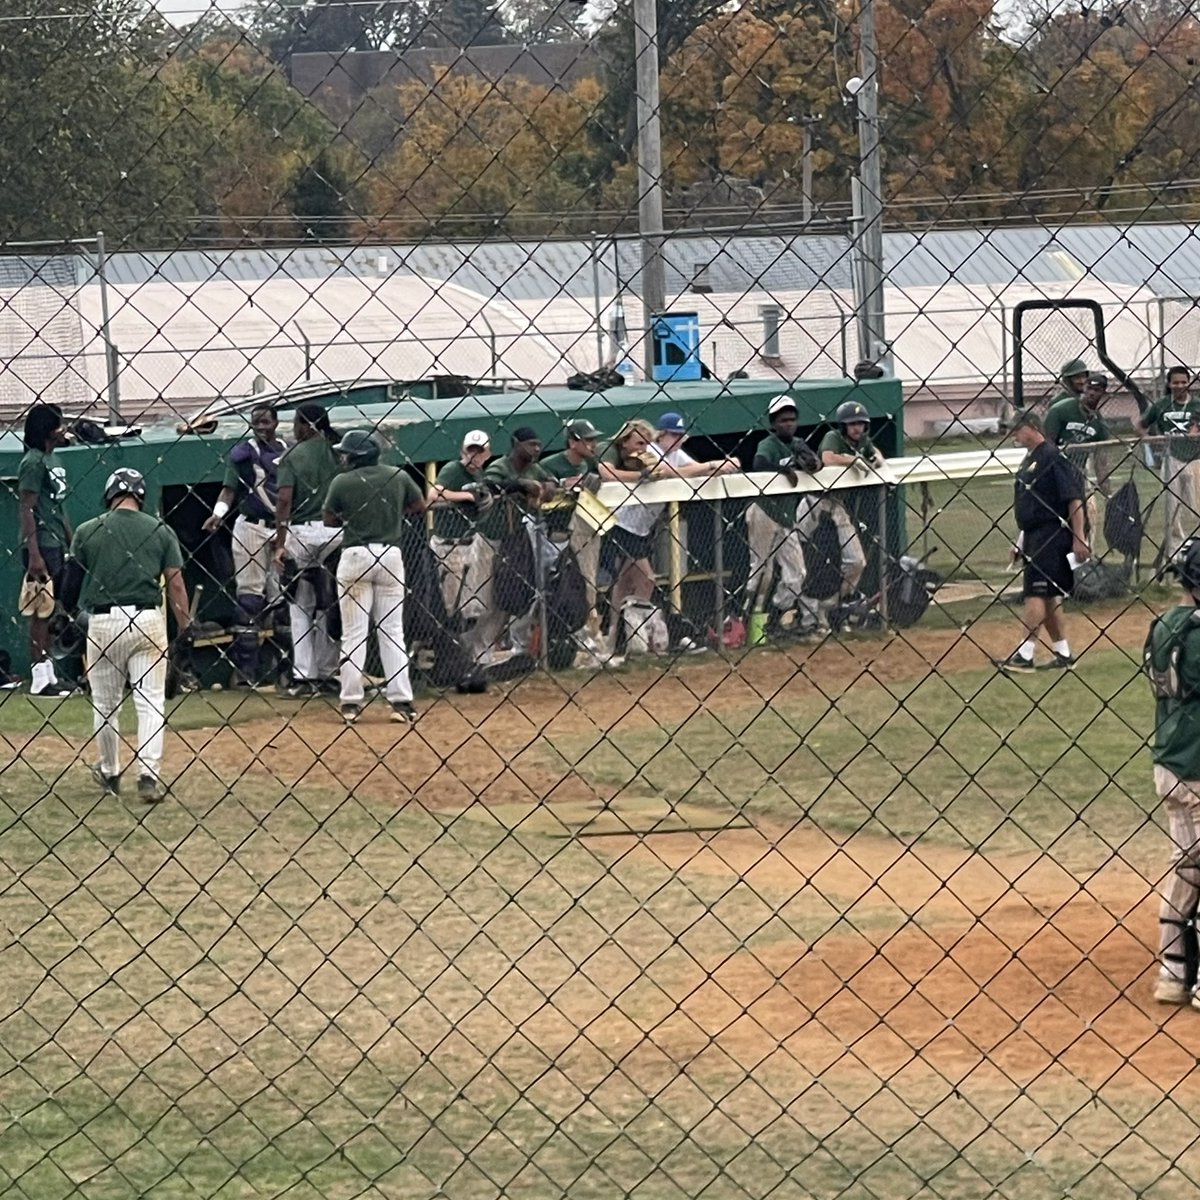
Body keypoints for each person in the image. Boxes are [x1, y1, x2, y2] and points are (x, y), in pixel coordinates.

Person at [62, 468, 191, 802]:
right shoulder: (160, 529)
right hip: (148, 619)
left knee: (106, 706)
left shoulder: (88, 530)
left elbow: (71, 584)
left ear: (109, 495)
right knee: (150, 702)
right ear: (141, 495)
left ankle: (109, 773)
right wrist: (186, 627)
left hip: (102, 622)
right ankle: (148, 776)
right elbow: (175, 583)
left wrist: (68, 615)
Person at [600, 413, 736, 653]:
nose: (678, 440)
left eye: (681, 435)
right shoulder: (649, 450)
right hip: (624, 523)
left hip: (641, 527)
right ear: (661, 435)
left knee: (623, 583)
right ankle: (634, 636)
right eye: (673, 434)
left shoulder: (676, 453)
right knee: (646, 579)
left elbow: (692, 468)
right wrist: (714, 464)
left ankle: (617, 635)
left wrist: (722, 465)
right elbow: (670, 471)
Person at [323, 430, 423, 725]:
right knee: (392, 631)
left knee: (354, 633)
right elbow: (419, 506)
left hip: (355, 555)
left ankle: (351, 703)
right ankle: (402, 702)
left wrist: (355, 516)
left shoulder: (342, 481)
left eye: (346, 453)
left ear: (357, 455)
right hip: (391, 555)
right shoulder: (398, 475)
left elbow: (329, 519)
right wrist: (391, 514)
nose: (343, 456)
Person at [1145, 538, 1200, 1007]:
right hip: (1198, 765)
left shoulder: (1162, 625)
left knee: (1186, 869)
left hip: (1168, 761)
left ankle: (1173, 972)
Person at [994, 409, 1089, 673]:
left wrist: (1079, 537)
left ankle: (1025, 655)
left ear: (1032, 427)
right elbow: (1031, 506)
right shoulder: (1029, 460)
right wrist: (1020, 540)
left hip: (1051, 535)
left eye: (1017, 428)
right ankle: (1064, 653)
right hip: (1034, 535)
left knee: (1035, 593)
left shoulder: (1052, 457)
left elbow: (1074, 498)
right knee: (1048, 597)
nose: (1013, 434)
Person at [202, 403, 288, 686]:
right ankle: (246, 673)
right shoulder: (244, 453)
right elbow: (229, 489)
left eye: (266, 422)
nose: (261, 427)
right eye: (256, 422)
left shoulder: (288, 449)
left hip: (282, 528)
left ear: (276, 423)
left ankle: (287, 671)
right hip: (251, 525)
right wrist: (217, 514)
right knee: (250, 599)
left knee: (283, 599)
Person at [470, 428, 557, 665]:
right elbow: (490, 485)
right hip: (490, 538)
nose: (536, 449)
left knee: (506, 596)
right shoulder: (501, 465)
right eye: (530, 445)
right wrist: (521, 484)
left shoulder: (534, 467)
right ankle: (474, 652)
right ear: (516, 444)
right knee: (484, 598)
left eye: (538, 445)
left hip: (516, 541)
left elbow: (550, 480)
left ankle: (486, 652)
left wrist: (548, 486)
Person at [274, 402, 342, 697]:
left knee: (300, 603)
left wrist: (279, 542)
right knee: (329, 602)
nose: (293, 429)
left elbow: (284, 501)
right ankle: (329, 673)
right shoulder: (336, 451)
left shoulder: (292, 455)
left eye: (296, 423)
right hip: (335, 531)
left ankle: (305, 677)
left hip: (302, 531)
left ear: (307, 425)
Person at [747, 395, 819, 632]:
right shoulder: (769, 443)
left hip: (786, 516)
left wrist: (809, 462)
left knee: (797, 572)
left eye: (791, 419)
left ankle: (775, 617)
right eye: (782, 420)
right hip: (764, 512)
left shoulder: (797, 443)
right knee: (761, 570)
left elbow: (816, 464)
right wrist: (782, 470)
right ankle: (747, 617)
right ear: (773, 423)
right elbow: (758, 464)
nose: (788, 424)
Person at [18, 403, 74, 697]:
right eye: (59, 424)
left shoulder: (56, 459)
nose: (63, 428)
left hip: (58, 542)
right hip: (41, 544)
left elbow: (59, 506)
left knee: (54, 610)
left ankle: (50, 673)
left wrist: (71, 538)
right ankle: (38, 675)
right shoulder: (33, 462)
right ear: (48, 429)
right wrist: (34, 554)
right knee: (40, 610)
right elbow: (27, 508)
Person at [540, 418, 605, 648]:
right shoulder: (550, 464)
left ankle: (578, 637)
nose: (593, 444)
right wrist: (563, 484)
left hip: (576, 533)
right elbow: (541, 492)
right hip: (547, 534)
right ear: (572, 442)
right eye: (587, 440)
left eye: (593, 440)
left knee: (579, 586)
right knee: (542, 589)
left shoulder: (588, 464)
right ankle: (530, 643)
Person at [811, 399, 882, 598]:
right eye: (852, 424)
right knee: (806, 558)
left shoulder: (862, 442)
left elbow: (875, 454)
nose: (857, 428)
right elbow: (828, 458)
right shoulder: (833, 436)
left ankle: (838, 603)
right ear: (844, 426)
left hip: (837, 505)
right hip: (814, 502)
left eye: (860, 423)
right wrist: (853, 460)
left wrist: (875, 460)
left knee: (856, 561)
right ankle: (798, 613)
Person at [429, 430, 492, 631]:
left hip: (470, 543)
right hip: (449, 543)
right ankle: (444, 646)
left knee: (469, 605)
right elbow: (433, 494)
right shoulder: (453, 469)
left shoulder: (480, 473)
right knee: (450, 604)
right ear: (462, 451)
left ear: (487, 454)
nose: (474, 456)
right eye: (470, 451)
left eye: (479, 451)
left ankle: (461, 651)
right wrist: (465, 496)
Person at [1137, 366, 1200, 557]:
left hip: (1196, 460)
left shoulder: (1197, 405)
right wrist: (1150, 441)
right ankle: (1176, 552)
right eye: (1175, 382)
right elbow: (1140, 426)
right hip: (1171, 458)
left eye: (1183, 381)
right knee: (1173, 507)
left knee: (1196, 505)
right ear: (1169, 384)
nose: (1180, 385)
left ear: (1189, 383)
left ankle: (1197, 550)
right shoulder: (1161, 404)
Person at [1044, 372, 1112, 536]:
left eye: (1097, 390)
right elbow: (1047, 443)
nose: (1091, 393)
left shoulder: (1099, 423)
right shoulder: (1061, 409)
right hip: (1056, 470)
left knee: (1086, 516)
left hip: (1079, 473)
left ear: (1103, 393)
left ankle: (1086, 553)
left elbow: (1101, 459)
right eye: (1089, 388)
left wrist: (1107, 491)